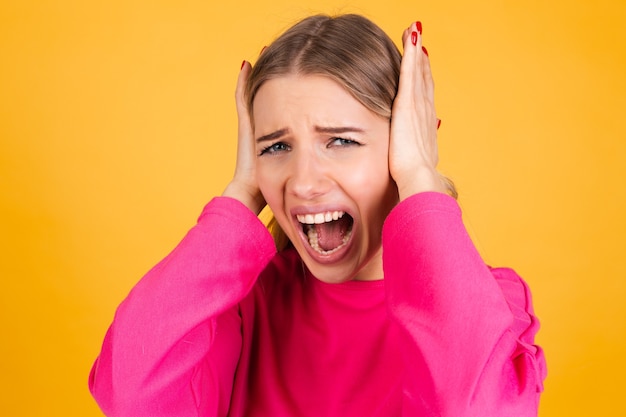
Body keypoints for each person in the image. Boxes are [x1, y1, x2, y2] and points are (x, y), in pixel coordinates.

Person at [89, 14, 546, 417]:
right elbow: (132, 398)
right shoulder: (242, 304)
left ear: (410, 141)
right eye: (277, 147)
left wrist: (418, 174)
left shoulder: (494, 304)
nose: (303, 183)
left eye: (341, 141)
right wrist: (242, 193)